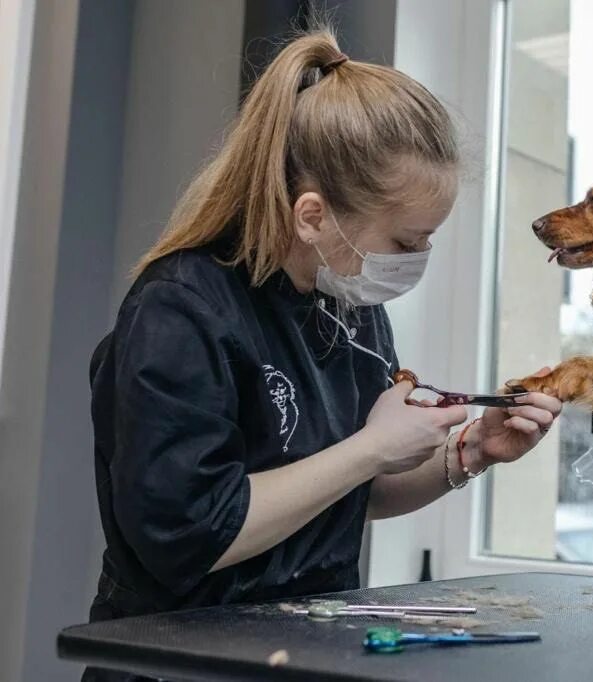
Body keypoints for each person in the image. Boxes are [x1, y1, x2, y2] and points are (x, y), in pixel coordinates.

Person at [84, 27, 560, 681]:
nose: (417, 261)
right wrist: (368, 447)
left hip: (309, 650)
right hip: (181, 662)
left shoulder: (349, 309)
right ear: (313, 216)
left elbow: (353, 494)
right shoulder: (180, 311)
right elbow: (190, 533)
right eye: (407, 240)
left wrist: (473, 450)